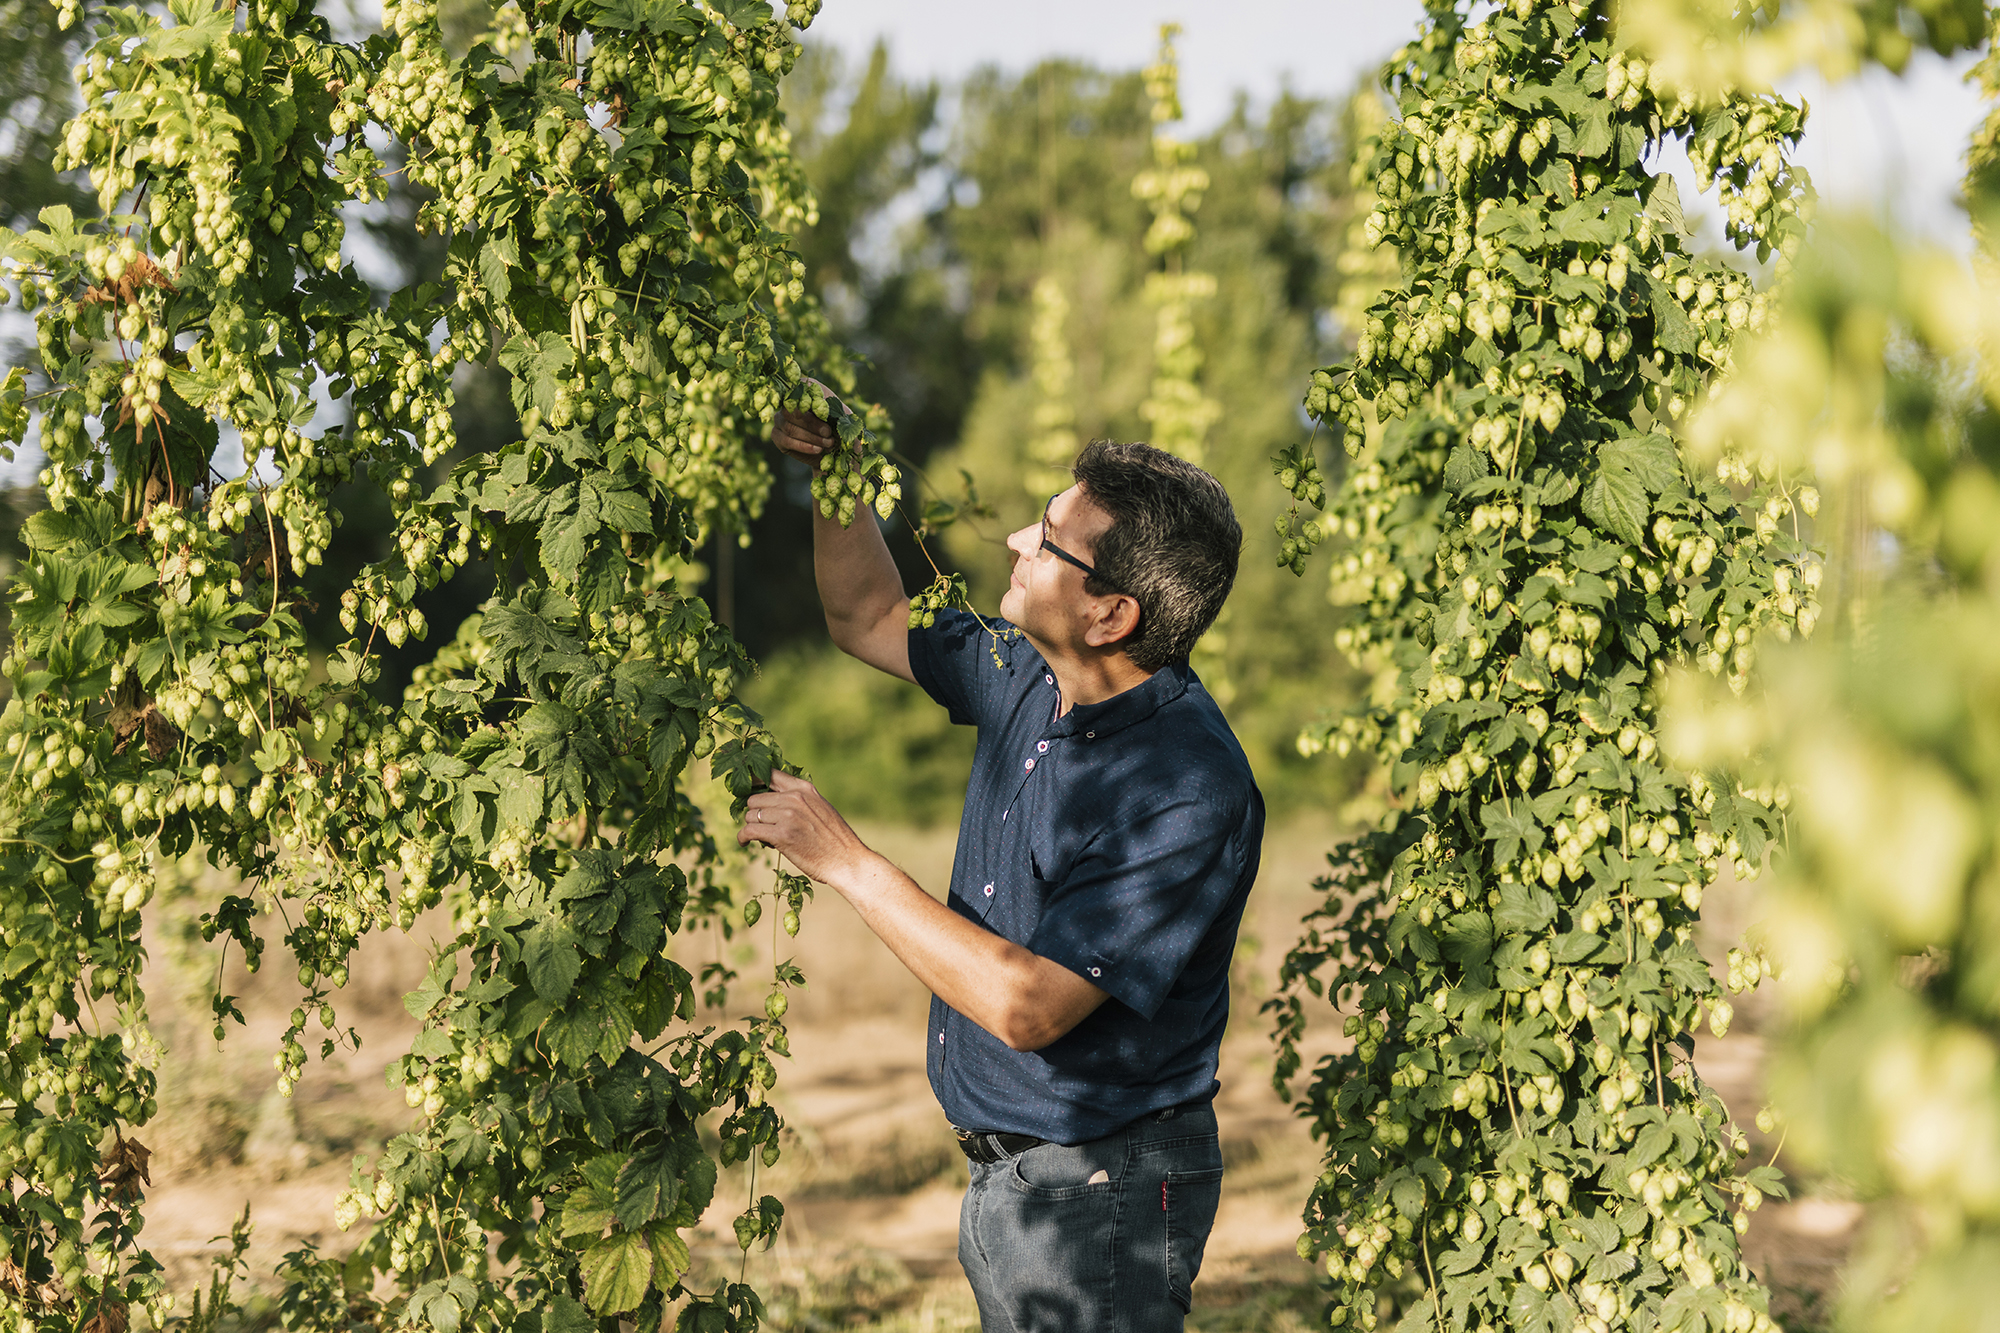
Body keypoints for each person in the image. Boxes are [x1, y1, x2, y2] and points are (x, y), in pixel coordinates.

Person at [740, 407, 1264, 1333]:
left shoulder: (1185, 789)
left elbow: (1032, 1006)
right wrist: (840, 478)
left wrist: (851, 865)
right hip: (1021, 1178)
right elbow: (868, 616)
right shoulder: (1030, 669)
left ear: (1112, 612)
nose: (1020, 538)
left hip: (1101, 1194)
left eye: (1053, 541)